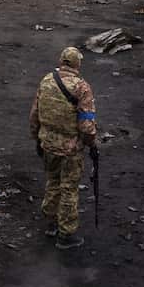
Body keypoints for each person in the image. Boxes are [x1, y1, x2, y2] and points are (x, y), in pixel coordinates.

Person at [29, 46, 98, 250]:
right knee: (69, 188)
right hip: (70, 149)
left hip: (48, 144)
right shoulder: (82, 88)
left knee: (52, 181)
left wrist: (37, 138)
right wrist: (91, 142)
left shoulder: (47, 80)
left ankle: (50, 223)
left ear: (61, 61)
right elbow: (86, 124)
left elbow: (34, 114)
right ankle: (66, 234)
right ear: (78, 64)